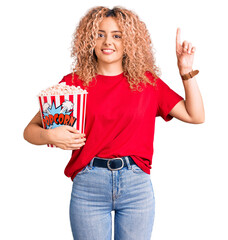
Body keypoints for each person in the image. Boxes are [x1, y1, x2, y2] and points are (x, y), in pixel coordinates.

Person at [23, 6, 205, 240]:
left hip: (136, 186)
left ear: (129, 41)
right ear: (89, 39)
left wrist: (186, 71)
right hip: (88, 185)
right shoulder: (72, 85)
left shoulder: (147, 83)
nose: (107, 41)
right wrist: (50, 135)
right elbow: (30, 131)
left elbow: (195, 115)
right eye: (100, 34)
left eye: (117, 35)